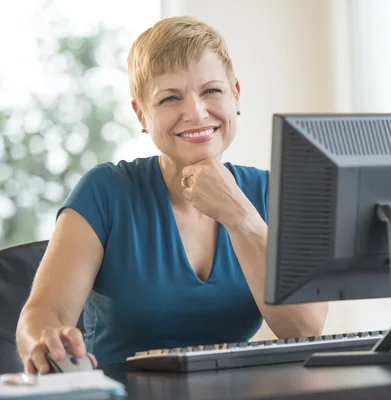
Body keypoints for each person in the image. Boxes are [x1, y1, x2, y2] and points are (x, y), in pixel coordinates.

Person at [16, 16, 329, 374]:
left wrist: (240, 217)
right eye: (169, 98)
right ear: (141, 114)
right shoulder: (105, 191)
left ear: (235, 94)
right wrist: (44, 340)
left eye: (211, 91)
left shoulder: (269, 192)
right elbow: (44, 312)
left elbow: (304, 329)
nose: (196, 112)